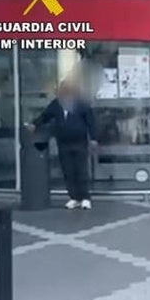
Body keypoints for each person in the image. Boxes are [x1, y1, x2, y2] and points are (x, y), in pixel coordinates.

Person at [30, 77, 97, 210]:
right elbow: (45, 116)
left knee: (81, 171)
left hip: (79, 142)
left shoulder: (82, 104)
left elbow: (91, 122)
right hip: (63, 143)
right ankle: (74, 197)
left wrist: (93, 139)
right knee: (68, 171)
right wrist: (34, 124)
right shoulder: (56, 104)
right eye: (63, 90)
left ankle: (85, 198)